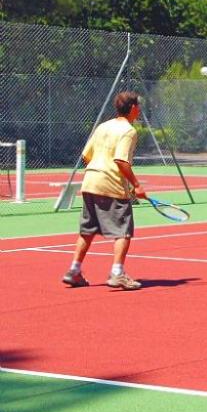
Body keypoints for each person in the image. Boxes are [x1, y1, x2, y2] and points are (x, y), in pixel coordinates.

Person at [62, 91, 147, 290]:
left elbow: (86, 155)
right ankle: (117, 273)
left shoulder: (103, 126)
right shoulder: (129, 131)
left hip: (90, 181)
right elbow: (120, 160)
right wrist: (136, 185)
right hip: (110, 185)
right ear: (133, 108)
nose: (140, 110)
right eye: (138, 106)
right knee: (123, 231)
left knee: (88, 230)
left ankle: (74, 271)